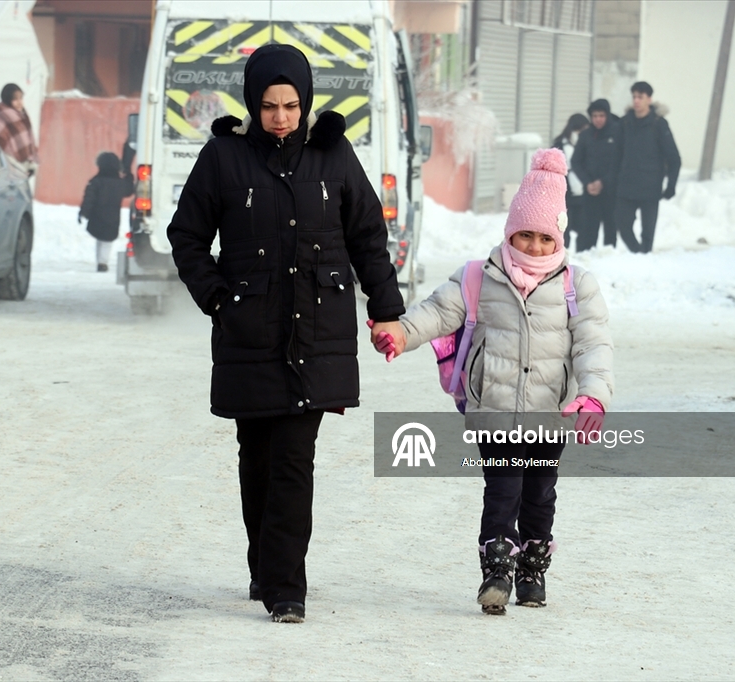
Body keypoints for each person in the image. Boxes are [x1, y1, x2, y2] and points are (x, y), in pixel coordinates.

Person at [166, 44, 405, 624]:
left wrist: (388, 306)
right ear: (253, 102)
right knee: (258, 458)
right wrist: (217, 296)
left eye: (291, 106)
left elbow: (369, 237)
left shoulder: (334, 156)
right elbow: (187, 235)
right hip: (250, 332)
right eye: (270, 106)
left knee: (295, 459)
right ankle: (265, 566)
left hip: (317, 333)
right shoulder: (223, 157)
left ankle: (286, 586)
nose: (281, 117)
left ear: (306, 103)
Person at [373, 149, 613, 615]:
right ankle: (497, 572)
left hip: (551, 414)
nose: (536, 247)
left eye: (545, 237)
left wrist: (592, 396)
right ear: (510, 232)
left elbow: (593, 345)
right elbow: (438, 312)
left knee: (540, 493)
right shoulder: (480, 278)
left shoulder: (576, 286)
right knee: (502, 488)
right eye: (526, 235)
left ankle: (532, 568)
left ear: (559, 235)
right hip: (495, 410)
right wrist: (401, 332)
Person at [614, 82, 681, 253]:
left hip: (650, 186)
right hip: (627, 185)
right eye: (634, 97)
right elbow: (616, 154)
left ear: (649, 99)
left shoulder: (658, 124)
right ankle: (639, 254)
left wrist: (671, 184)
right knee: (622, 224)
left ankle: (645, 257)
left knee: (648, 231)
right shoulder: (625, 123)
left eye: (640, 97)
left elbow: (674, 158)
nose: (636, 101)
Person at [571, 99, 622, 250]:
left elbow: (619, 163)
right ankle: (585, 258)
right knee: (588, 229)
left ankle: (608, 258)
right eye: (595, 116)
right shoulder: (586, 135)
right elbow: (576, 161)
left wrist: (604, 182)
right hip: (590, 191)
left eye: (601, 115)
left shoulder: (618, 133)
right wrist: (587, 182)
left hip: (611, 191)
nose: (598, 119)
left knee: (610, 229)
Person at [78, 151, 134, 272]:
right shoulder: (120, 183)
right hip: (113, 217)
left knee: (100, 238)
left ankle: (100, 261)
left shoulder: (96, 181)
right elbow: (129, 190)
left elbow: (89, 198)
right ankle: (103, 262)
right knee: (107, 240)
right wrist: (129, 175)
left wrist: (83, 212)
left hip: (97, 216)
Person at [551, 113, 589, 250]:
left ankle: (582, 254)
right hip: (565, 196)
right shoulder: (559, 145)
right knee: (563, 229)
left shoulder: (587, 144)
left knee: (583, 229)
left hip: (583, 194)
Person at [0, 83, 38, 173]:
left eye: (21, 98)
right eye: (15, 99)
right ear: (7, 99)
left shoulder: (23, 115)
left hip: (23, 165)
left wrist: (31, 164)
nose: (19, 102)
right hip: (5, 165)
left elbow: (28, 139)